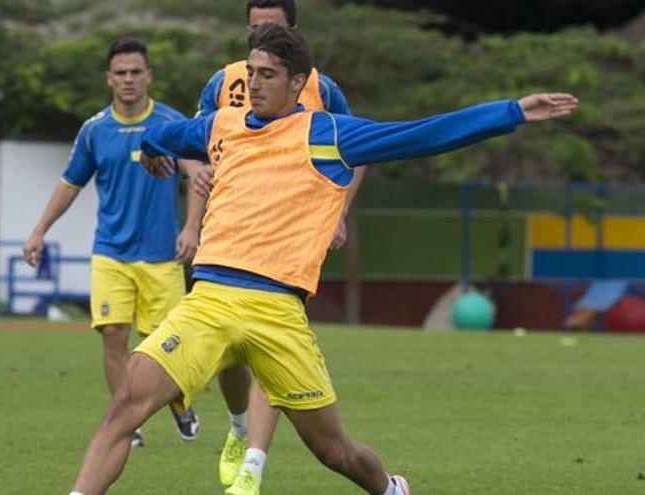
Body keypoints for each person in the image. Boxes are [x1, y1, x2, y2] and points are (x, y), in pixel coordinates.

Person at [65, 23, 577, 495]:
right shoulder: (221, 125)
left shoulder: (329, 134)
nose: (255, 83)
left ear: (298, 82)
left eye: (268, 75)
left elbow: (423, 134)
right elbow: (163, 134)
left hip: (278, 313)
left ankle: (390, 490)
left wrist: (510, 112)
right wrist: (154, 152)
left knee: (335, 452)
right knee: (125, 407)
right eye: (251, 72)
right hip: (210, 302)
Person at [196, 2, 366, 491]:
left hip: (290, 235)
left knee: (271, 343)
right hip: (231, 235)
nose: (261, 34)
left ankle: (253, 465)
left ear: (293, 32)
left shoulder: (320, 88)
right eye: (253, 28)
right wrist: (196, 169)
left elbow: (357, 152)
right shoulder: (222, 82)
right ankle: (237, 426)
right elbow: (198, 141)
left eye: (271, 28)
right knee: (228, 358)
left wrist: (337, 211)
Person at [23, 38, 207, 447]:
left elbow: (198, 173)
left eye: (135, 72)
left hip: (161, 256)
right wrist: (39, 231)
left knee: (166, 344)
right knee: (111, 334)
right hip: (110, 253)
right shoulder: (94, 130)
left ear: (148, 76)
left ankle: (180, 404)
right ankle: (129, 420)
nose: (128, 79)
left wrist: (192, 226)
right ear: (109, 79)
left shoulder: (169, 123)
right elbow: (70, 184)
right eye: (120, 73)